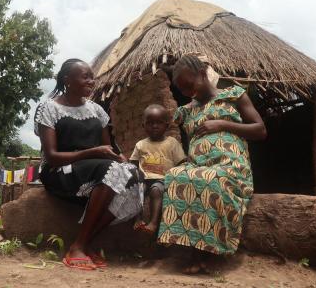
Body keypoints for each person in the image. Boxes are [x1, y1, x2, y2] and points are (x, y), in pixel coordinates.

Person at [157, 55, 267, 274]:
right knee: (175, 176)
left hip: (230, 165)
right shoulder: (186, 110)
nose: (188, 92)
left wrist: (222, 124)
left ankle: (210, 252)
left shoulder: (234, 95)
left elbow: (260, 130)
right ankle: (192, 248)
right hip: (198, 164)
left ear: (202, 73)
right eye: (183, 90)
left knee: (211, 179)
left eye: (190, 85)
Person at [34, 58, 143, 271]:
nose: (91, 81)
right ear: (67, 80)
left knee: (133, 174)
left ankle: (83, 243)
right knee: (110, 169)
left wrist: (119, 159)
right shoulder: (49, 108)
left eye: (92, 77)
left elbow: (107, 150)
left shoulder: (97, 111)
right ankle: (79, 246)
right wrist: (92, 153)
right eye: (85, 77)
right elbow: (52, 156)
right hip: (60, 171)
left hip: (94, 170)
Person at [130, 104, 186, 235]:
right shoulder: (140, 144)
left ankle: (153, 223)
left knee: (156, 190)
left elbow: (182, 162)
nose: (154, 126)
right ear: (143, 126)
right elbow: (133, 163)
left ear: (166, 126)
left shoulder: (171, 142)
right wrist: (135, 176)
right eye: (150, 123)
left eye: (159, 123)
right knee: (138, 190)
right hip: (144, 179)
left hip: (162, 179)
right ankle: (138, 219)